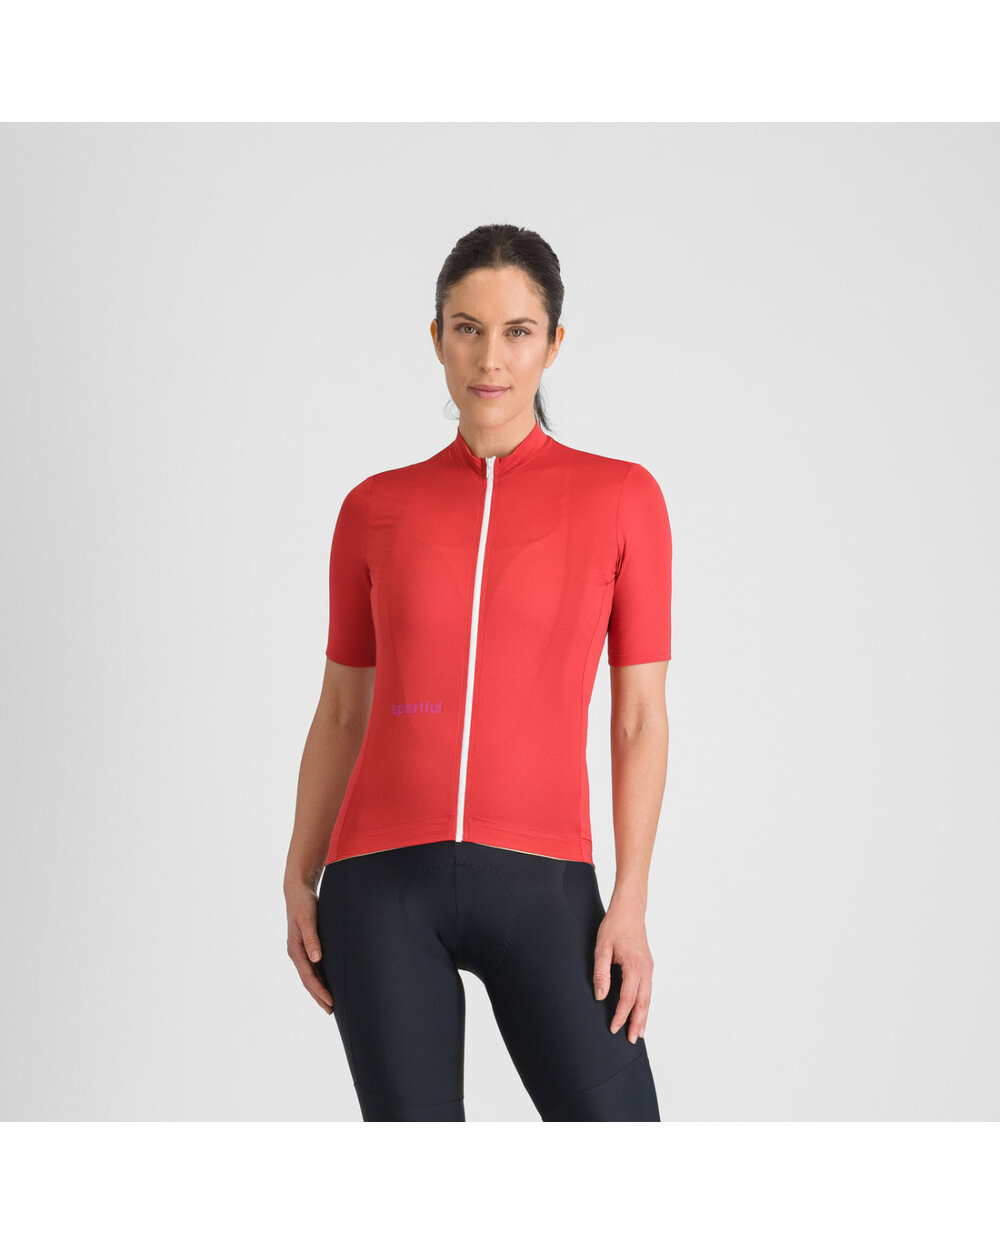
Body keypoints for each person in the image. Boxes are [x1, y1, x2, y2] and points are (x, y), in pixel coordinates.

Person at [283, 223, 672, 1122]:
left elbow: (639, 718)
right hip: (379, 886)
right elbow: (341, 710)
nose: (490, 358)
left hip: (545, 886)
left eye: (516, 331)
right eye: (466, 329)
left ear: (553, 343)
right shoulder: (374, 508)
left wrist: (630, 899)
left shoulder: (621, 497)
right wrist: (300, 875)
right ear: (436, 338)